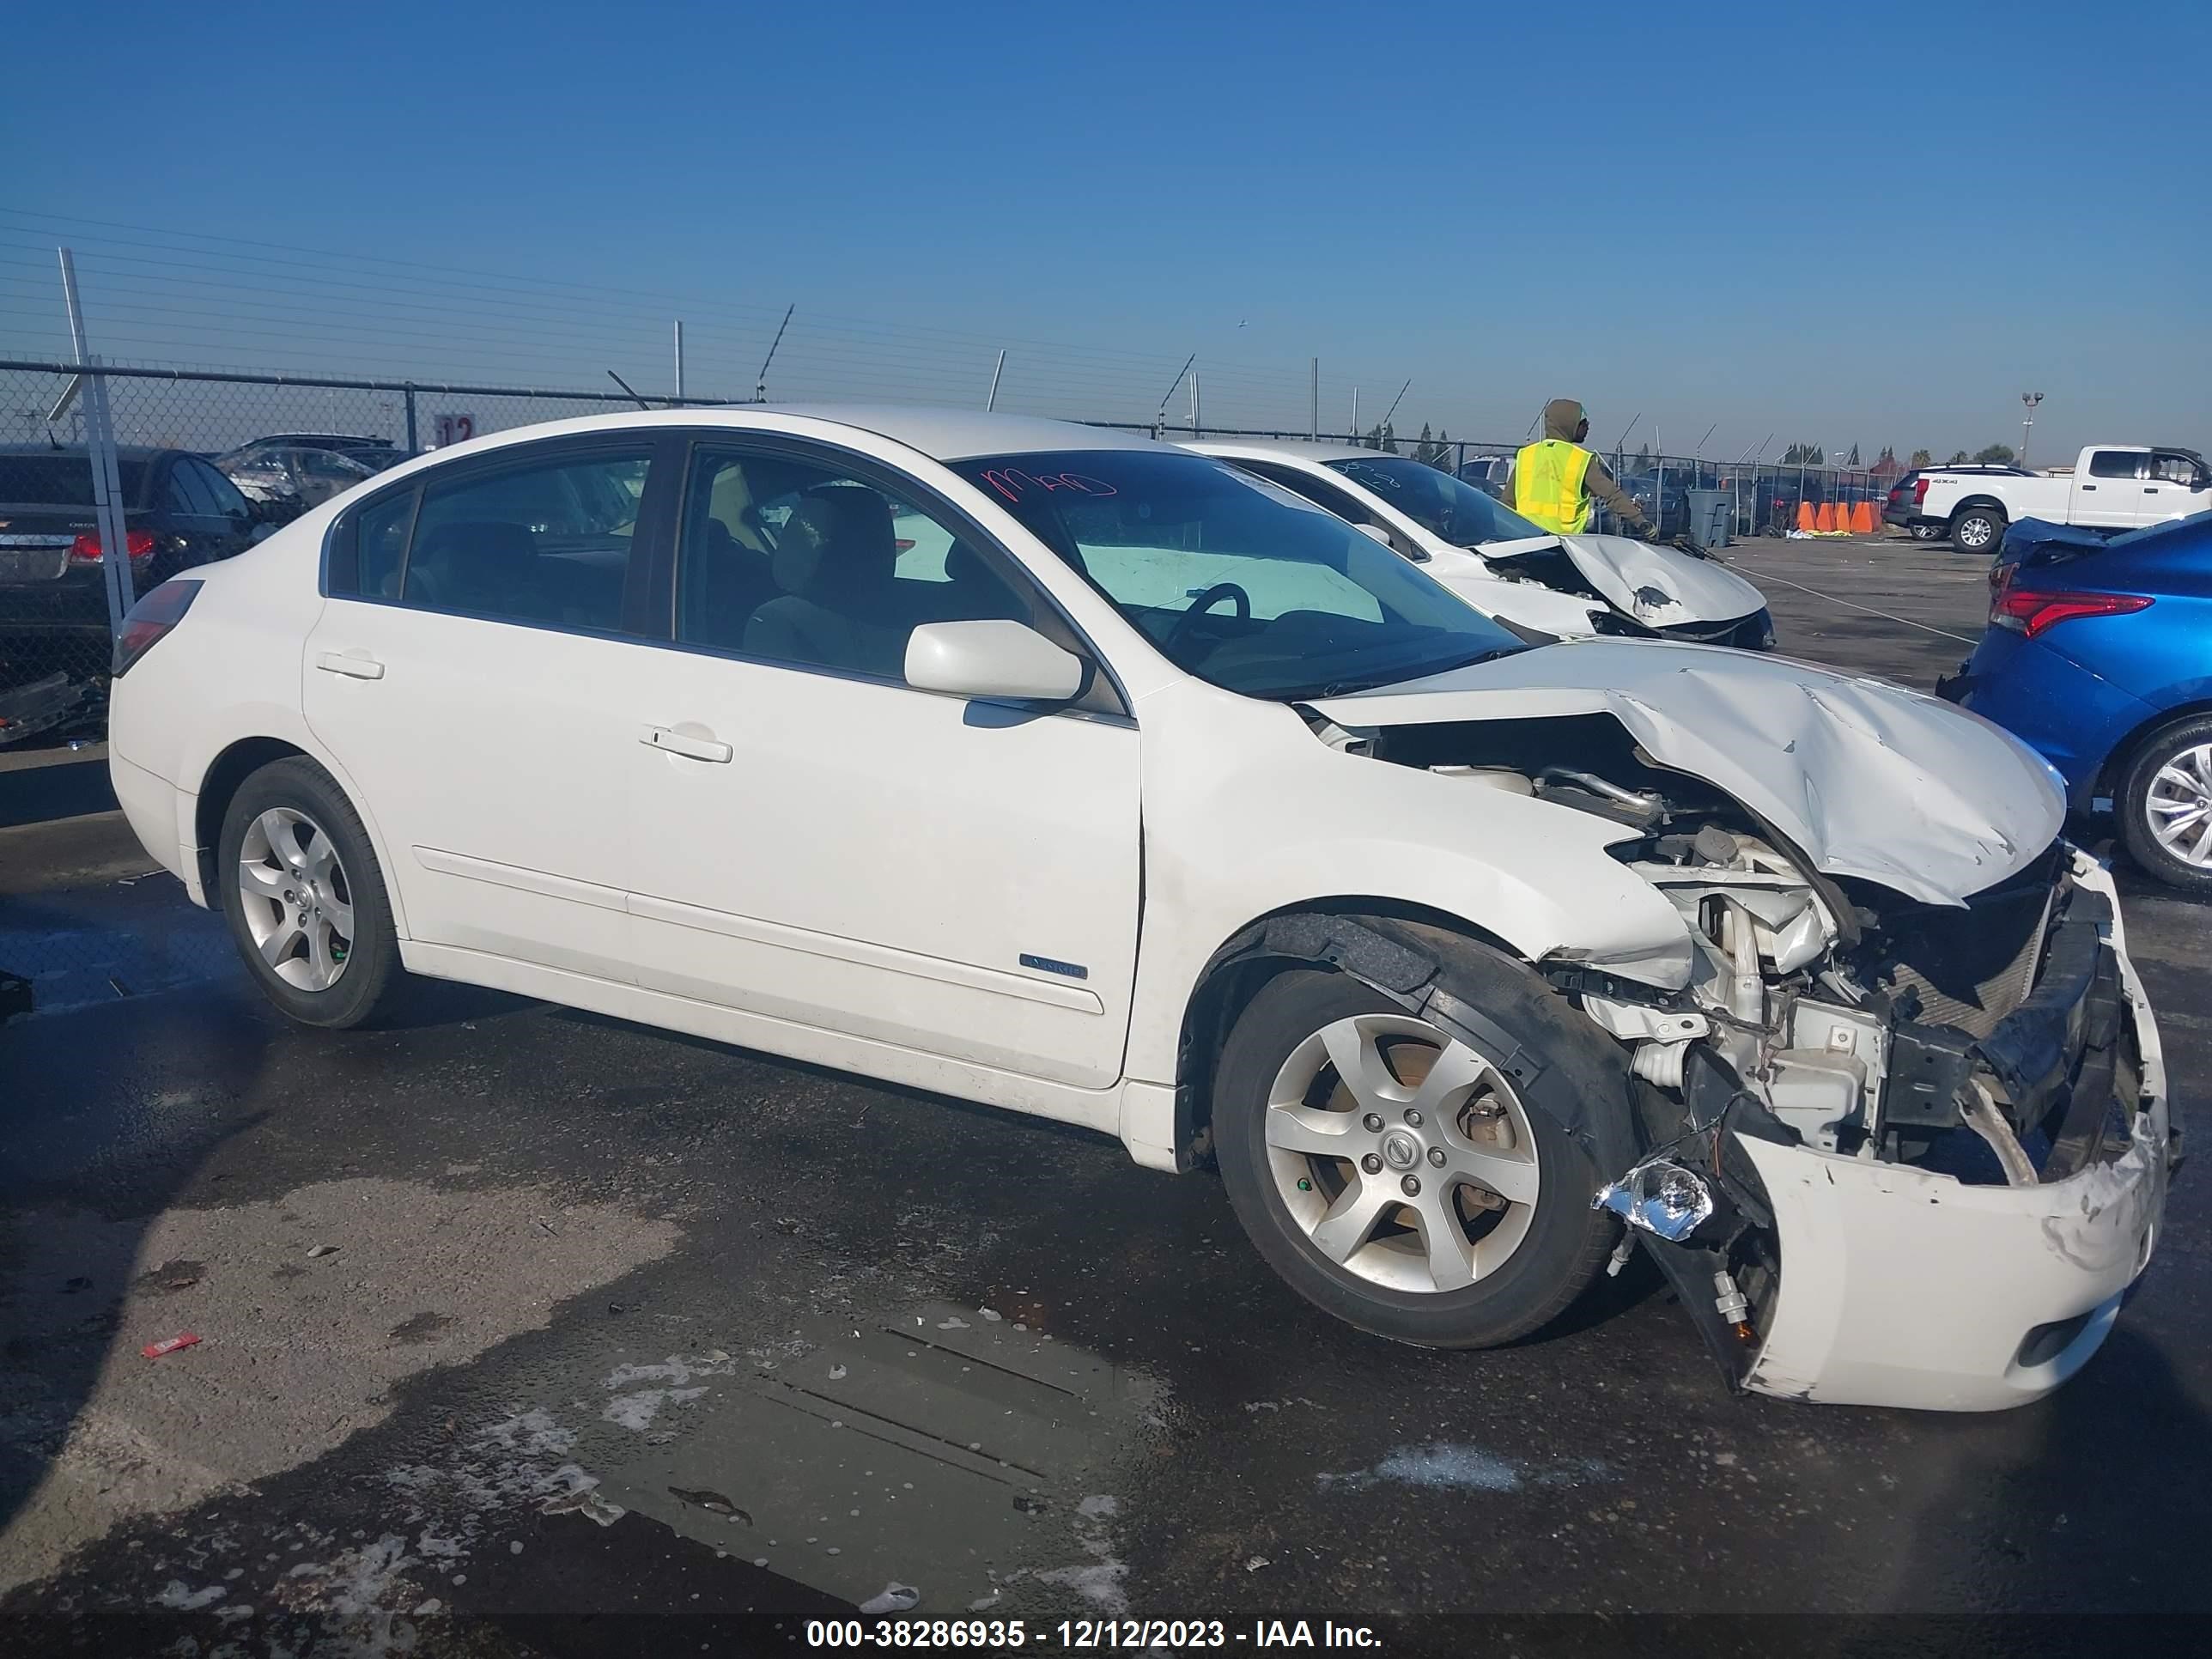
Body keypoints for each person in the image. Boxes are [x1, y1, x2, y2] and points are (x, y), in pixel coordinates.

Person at [1514, 398, 1650, 537]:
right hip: (1564, 546)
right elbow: (1611, 495)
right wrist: (1642, 522)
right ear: (1568, 424)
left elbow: (1507, 503)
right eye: (1583, 422)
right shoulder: (1580, 459)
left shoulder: (1526, 456)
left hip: (1526, 542)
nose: (1588, 426)